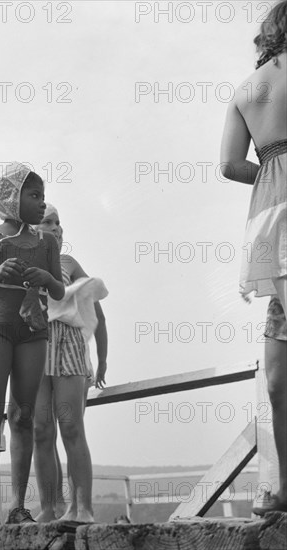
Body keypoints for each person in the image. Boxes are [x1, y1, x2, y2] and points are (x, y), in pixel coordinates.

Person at [0, 162, 64, 525]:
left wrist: (46, 276)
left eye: (43, 197)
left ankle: (18, 507)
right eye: (34, 195)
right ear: (10, 197)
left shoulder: (47, 241)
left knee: (23, 416)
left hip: (34, 329)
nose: (41, 203)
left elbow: (59, 290)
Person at [220, 0, 287, 514]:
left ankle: (284, 488)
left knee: (279, 354)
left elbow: (228, 164)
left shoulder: (246, 88)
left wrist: (272, 170)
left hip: (267, 219)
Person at [33, 205, 108, 523]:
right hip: (34, 348)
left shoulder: (68, 263)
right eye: (47, 222)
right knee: (40, 430)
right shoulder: (22, 266)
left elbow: (98, 313)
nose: (56, 227)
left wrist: (102, 360)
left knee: (71, 427)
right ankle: (51, 507)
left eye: (59, 222)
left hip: (68, 347)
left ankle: (83, 509)